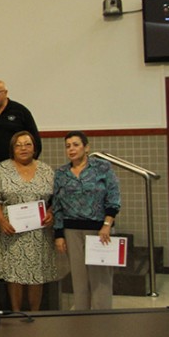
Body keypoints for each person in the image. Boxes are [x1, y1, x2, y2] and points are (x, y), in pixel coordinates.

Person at [53, 131, 121, 310]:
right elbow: (57, 206)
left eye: (76, 145)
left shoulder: (102, 168)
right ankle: (81, 318)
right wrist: (59, 234)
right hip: (72, 230)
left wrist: (107, 224)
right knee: (79, 278)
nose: (71, 149)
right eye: (68, 146)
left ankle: (101, 319)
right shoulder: (61, 173)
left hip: (99, 230)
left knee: (101, 279)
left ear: (86, 147)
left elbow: (113, 196)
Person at [0, 131, 56, 312]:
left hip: (39, 232)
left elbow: (56, 199)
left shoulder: (45, 170)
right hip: (12, 230)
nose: (23, 148)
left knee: (37, 273)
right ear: (12, 149)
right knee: (14, 274)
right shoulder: (2, 169)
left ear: (34, 148)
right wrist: (1, 220)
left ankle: (35, 314)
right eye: (18, 145)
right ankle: (17, 313)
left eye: (27, 144)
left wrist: (51, 213)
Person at [0, 80, 42, 169]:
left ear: (5, 93)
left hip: (19, 169)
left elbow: (35, 142)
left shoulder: (21, 111)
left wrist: (27, 165)